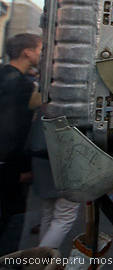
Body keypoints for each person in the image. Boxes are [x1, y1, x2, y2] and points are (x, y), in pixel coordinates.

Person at [0, 33, 42, 256]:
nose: (40, 55)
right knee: (13, 215)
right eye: (38, 49)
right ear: (27, 52)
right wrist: (24, 166)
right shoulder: (22, 85)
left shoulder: (4, 76)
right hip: (10, 162)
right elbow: (17, 130)